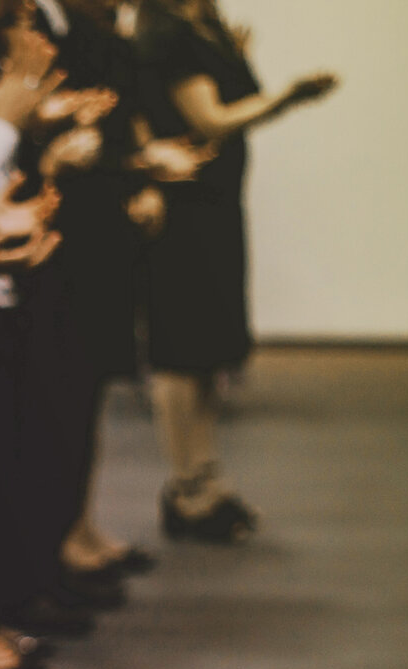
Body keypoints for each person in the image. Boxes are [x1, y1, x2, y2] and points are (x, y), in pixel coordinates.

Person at [133, 0, 336, 541]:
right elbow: (210, 120)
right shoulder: (167, 32)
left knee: (208, 354)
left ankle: (207, 476)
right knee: (180, 353)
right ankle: (185, 487)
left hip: (217, 205)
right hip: (184, 209)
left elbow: (236, 102)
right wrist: (290, 97)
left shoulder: (206, 26)